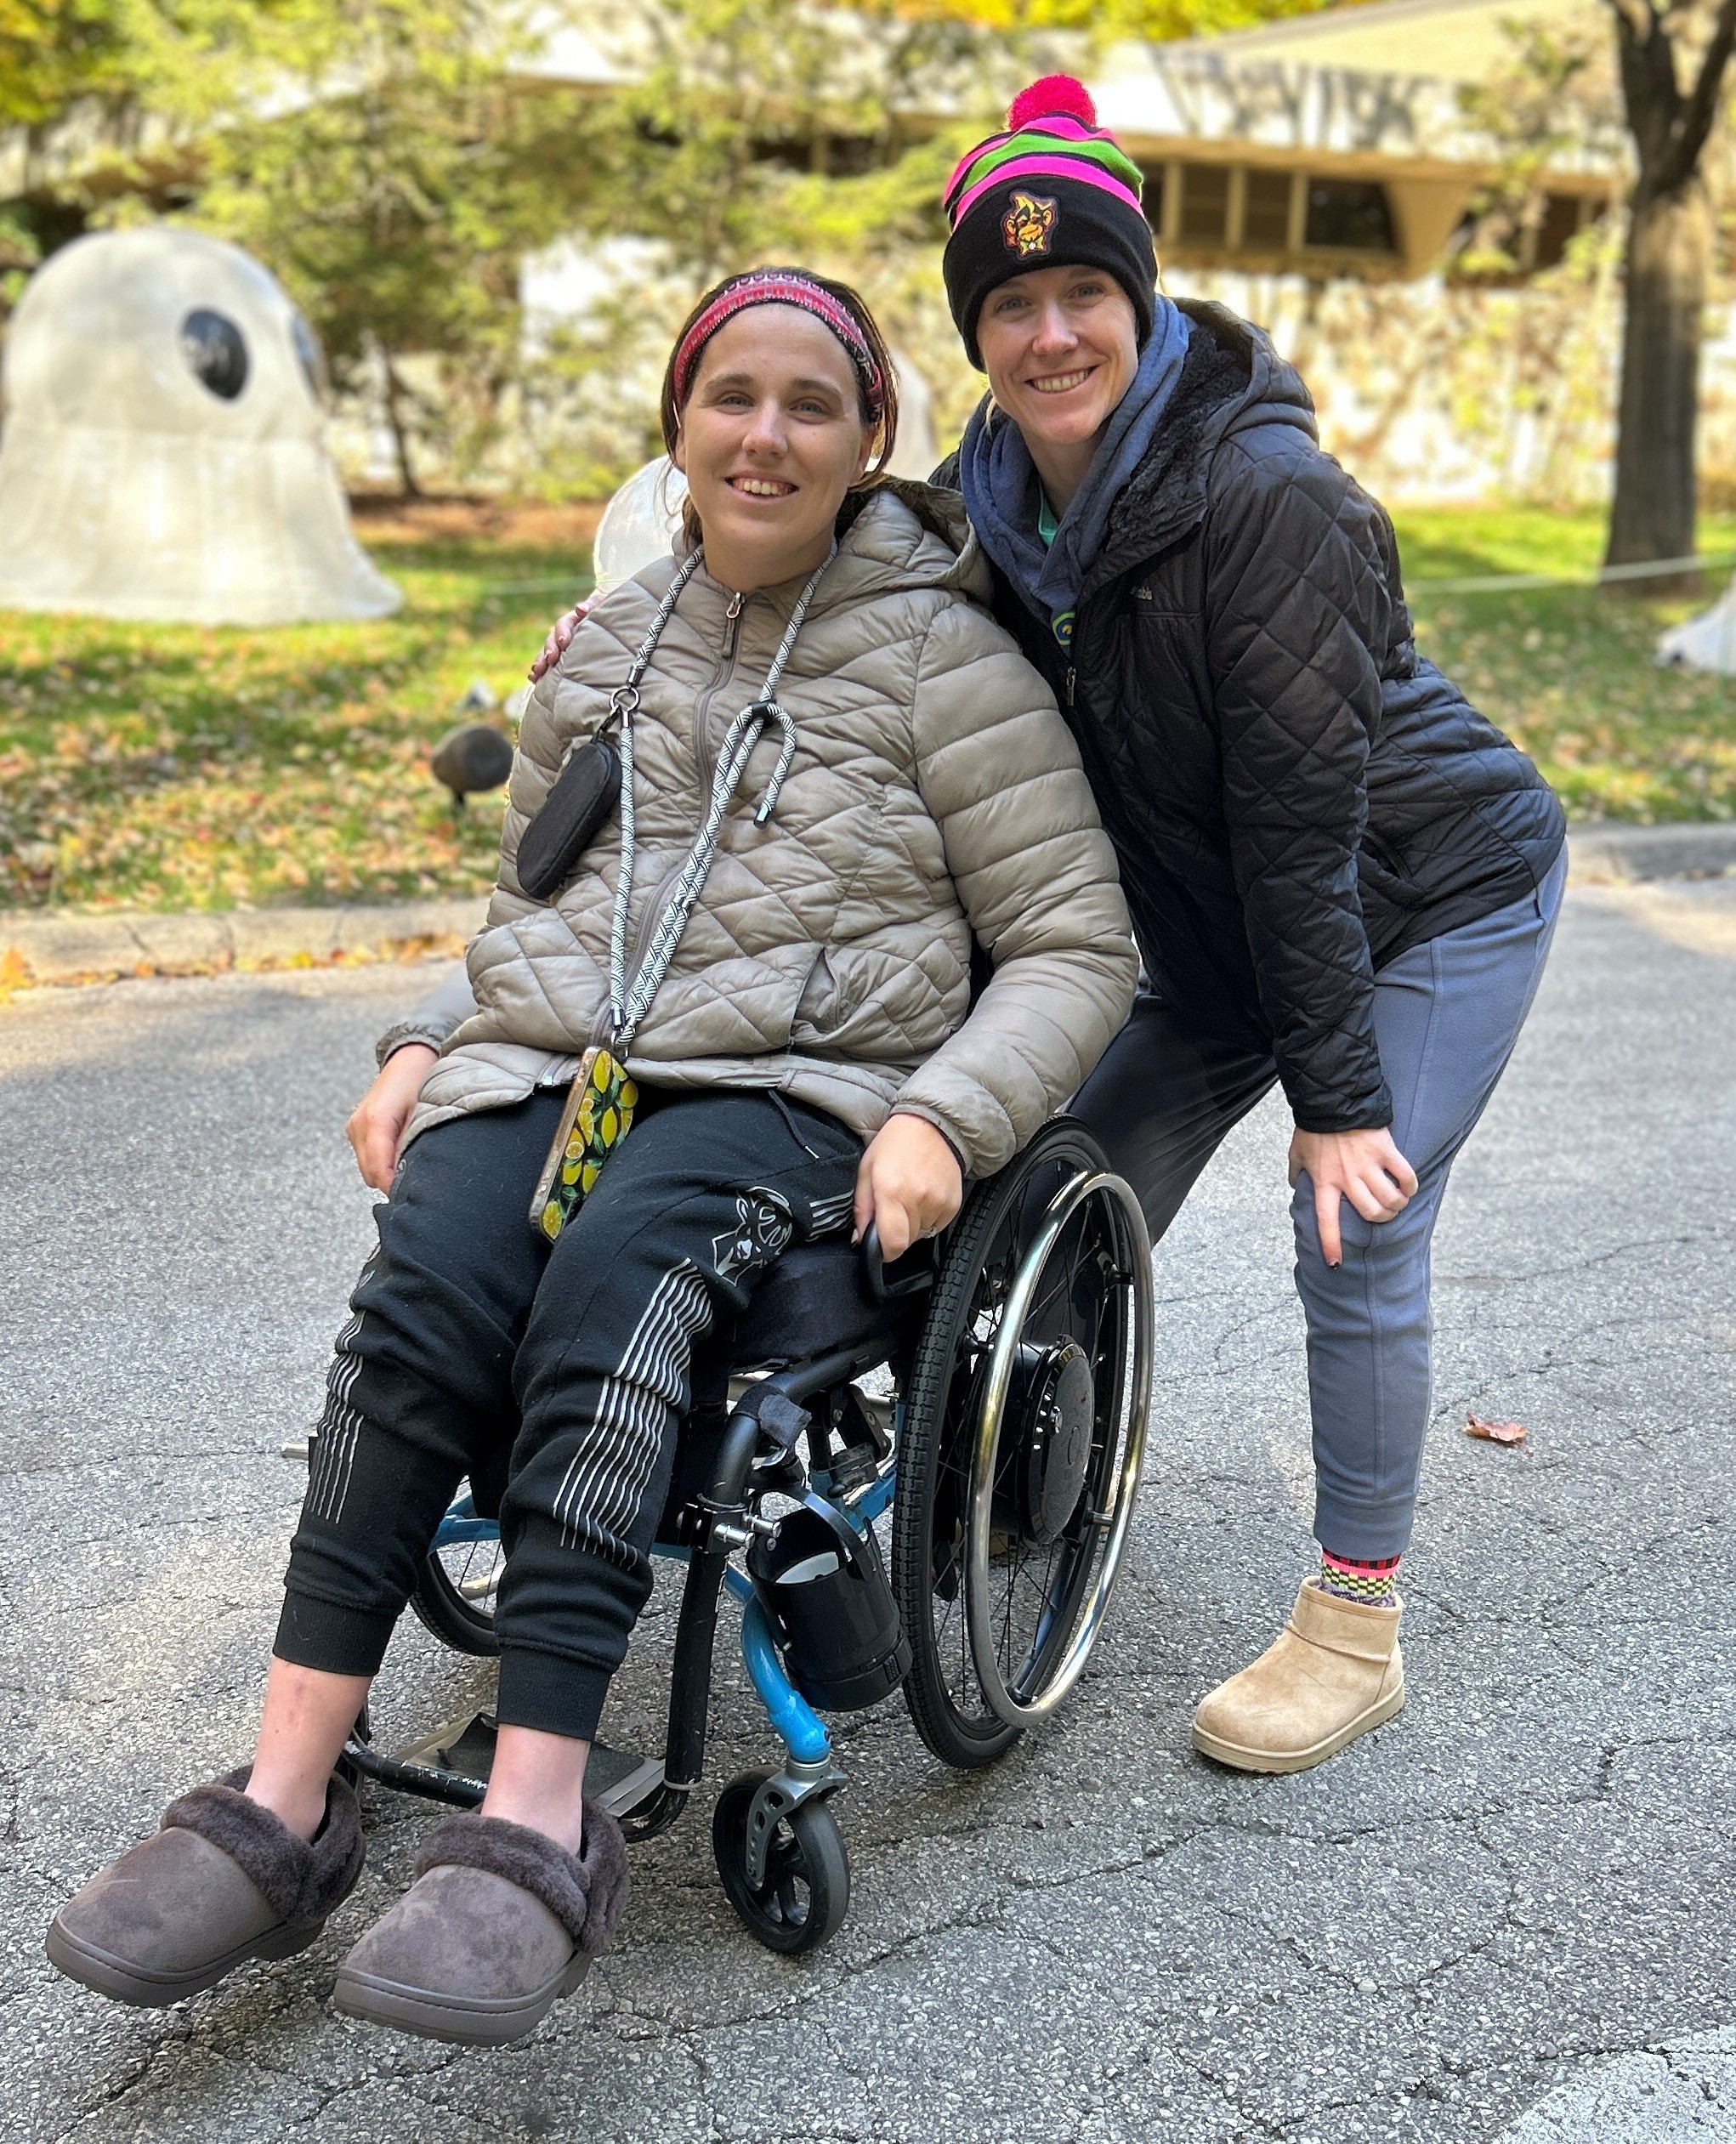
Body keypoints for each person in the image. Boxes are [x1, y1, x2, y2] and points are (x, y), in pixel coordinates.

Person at [47, 267, 1137, 2045]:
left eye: (808, 404)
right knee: (417, 1300)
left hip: (795, 1088)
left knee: (615, 1295)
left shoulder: (951, 662)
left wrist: (948, 1115)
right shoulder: (613, 641)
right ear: (678, 422)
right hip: (569, 1071)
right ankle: (285, 1793)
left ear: (872, 441)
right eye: (730, 398)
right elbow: (529, 914)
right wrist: (424, 1044)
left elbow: (1079, 947)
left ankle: (534, 1820)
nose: (764, 435)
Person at [530, 79, 1568, 1780]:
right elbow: (842, 574)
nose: (1051, 330)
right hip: (1230, 928)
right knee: (1050, 1172)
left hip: (1421, 894)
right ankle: (1025, 1462)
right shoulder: (988, 495)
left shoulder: (1266, 501)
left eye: (1084, 291)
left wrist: (1340, 1100)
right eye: (1010, 303)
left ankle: (1352, 1627)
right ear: (978, 331)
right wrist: (653, 605)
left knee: (1353, 1222)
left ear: (1138, 298)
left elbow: (1303, 839)